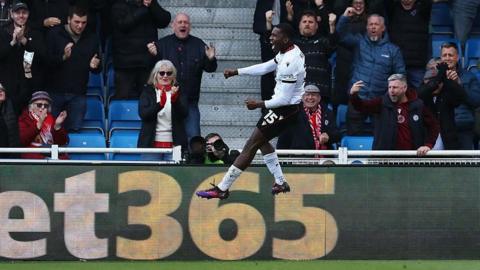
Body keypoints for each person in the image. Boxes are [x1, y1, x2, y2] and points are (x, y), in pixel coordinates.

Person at [196, 23, 305, 200]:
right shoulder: (287, 51)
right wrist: (237, 72)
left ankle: (222, 188)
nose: (271, 37)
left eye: (275, 35)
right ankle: (280, 181)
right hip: (282, 108)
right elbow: (267, 66)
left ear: (285, 39)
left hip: (286, 110)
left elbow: (284, 99)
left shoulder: (290, 62)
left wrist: (258, 104)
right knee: (261, 141)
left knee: (251, 145)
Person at [148, 12, 217, 142]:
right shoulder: (162, 44)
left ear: (189, 27)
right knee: (167, 138)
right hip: (166, 101)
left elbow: (210, 68)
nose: (183, 25)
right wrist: (153, 55)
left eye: (185, 22)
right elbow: (152, 69)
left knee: (193, 138)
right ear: (173, 26)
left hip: (190, 101)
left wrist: (211, 59)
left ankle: (191, 162)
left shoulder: (199, 44)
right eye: (179, 22)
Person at [337, 12, 405, 135]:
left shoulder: (393, 50)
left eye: (376, 24)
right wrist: (344, 17)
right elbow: (341, 35)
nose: (373, 27)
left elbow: (400, 74)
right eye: (370, 24)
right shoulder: (359, 42)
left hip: (380, 101)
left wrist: (390, 94)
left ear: (383, 28)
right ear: (367, 27)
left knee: (380, 138)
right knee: (353, 137)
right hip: (357, 98)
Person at [350, 74, 439, 155]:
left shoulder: (418, 105)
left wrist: (428, 145)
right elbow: (361, 106)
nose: (391, 91)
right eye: (390, 87)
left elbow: (433, 126)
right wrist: (354, 95)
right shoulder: (381, 103)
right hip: (384, 158)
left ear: (404, 88)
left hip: (412, 157)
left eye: (395, 87)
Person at [45, 6, 101, 132]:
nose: (80, 26)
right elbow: (46, 63)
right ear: (69, 19)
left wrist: (94, 66)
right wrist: (63, 57)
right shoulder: (54, 34)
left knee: (74, 132)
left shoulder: (92, 38)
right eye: (77, 22)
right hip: (55, 93)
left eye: (83, 22)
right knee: (50, 132)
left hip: (78, 94)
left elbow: (98, 67)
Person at [111, 0, 171, 99]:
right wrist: (144, 9)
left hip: (146, 63)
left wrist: (152, 5)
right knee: (123, 99)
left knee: (147, 100)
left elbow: (164, 20)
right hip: (125, 64)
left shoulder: (151, 4)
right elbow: (123, 25)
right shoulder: (119, 5)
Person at [0, 2, 46, 114]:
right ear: (11, 14)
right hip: (7, 85)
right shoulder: (2, 31)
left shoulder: (36, 32)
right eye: (18, 13)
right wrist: (13, 42)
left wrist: (25, 41)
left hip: (29, 85)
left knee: (28, 124)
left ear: (28, 14)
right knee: (8, 122)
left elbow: (42, 57)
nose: (21, 15)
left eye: (24, 12)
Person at [137, 59, 188, 161]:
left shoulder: (179, 91)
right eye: (162, 73)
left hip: (175, 146)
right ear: (155, 74)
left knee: (173, 176)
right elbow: (144, 114)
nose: (165, 76)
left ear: (173, 76)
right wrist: (159, 105)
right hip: (150, 145)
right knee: (150, 176)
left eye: (169, 73)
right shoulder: (148, 91)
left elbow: (184, 114)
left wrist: (175, 100)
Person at [438, 42, 480, 150]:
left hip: (463, 126)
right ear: (441, 58)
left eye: (450, 55)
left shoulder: (469, 77)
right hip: (440, 128)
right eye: (444, 55)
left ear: (457, 57)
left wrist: (459, 85)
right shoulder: (434, 76)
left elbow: (476, 101)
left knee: (464, 163)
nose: (447, 58)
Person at [418, 58, 467, 150]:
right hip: (425, 144)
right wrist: (441, 74)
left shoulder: (447, 92)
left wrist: (446, 79)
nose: (436, 83)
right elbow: (431, 86)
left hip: (448, 143)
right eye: (428, 79)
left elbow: (462, 97)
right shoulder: (422, 92)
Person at [277, 84, 339, 150]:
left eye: (313, 95)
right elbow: (284, 137)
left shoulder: (327, 112)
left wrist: (328, 136)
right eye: (307, 94)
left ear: (319, 98)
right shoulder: (294, 113)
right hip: (301, 156)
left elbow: (337, 135)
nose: (310, 97)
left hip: (324, 156)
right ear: (302, 97)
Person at [386, 0, 432, 88]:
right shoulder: (392, 8)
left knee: (419, 97)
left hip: (417, 66)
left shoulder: (423, 8)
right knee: (396, 98)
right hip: (396, 66)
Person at [18, 91, 68, 159]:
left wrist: (57, 126)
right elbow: (23, 141)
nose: (42, 107)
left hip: (51, 153)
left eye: (46, 105)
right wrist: (39, 123)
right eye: (39, 105)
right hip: (33, 155)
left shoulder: (52, 119)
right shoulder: (24, 118)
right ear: (31, 106)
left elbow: (62, 142)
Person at [254, 0, 287, 101]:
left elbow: (293, 21)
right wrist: (268, 25)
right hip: (268, 38)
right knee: (267, 71)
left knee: (287, 71)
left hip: (286, 37)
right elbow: (256, 26)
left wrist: (290, 15)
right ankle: (266, 106)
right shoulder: (263, 2)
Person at [0, 83, 20, 158]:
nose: (1, 91)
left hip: (10, 155)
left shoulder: (11, 106)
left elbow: (26, 94)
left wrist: (27, 71)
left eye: (2, 90)